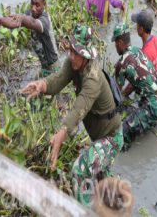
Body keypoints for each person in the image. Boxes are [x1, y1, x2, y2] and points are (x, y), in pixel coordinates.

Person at [21, 24, 123, 205]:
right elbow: (58, 80)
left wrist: (61, 134)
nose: (72, 56)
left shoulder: (93, 78)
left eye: (77, 53)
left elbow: (79, 108)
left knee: (79, 170)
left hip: (111, 138)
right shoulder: (72, 63)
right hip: (99, 137)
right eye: (71, 50)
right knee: (105, 183)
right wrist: (41, 85)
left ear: (86, 55)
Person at [112, 23, 157, 150]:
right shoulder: (138, 51)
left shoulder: (121, 63)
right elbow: (136, 80)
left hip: (151, 109)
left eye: (115, 43)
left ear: (120, 42)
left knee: (119, 136)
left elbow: (116, 96)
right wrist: (124, 95)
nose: (115, 46)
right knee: (129, 108)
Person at [0, 0, 59, 77]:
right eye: (32, 3)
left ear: (44, 4)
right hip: (44, 66)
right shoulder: (29, 14)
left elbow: (33, 23)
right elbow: (16, 22)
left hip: (54, 68)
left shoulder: (45, 21)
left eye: (37, 5)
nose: (33, 8)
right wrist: (2, 21)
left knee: (45, 89)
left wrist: (22, 18)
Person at [131, 9, 157, 99]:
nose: (135, 26)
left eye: (137, 24)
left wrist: (123, 94)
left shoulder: (144, 54)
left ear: (141, 29)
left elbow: (137, 80)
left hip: (155, 99)